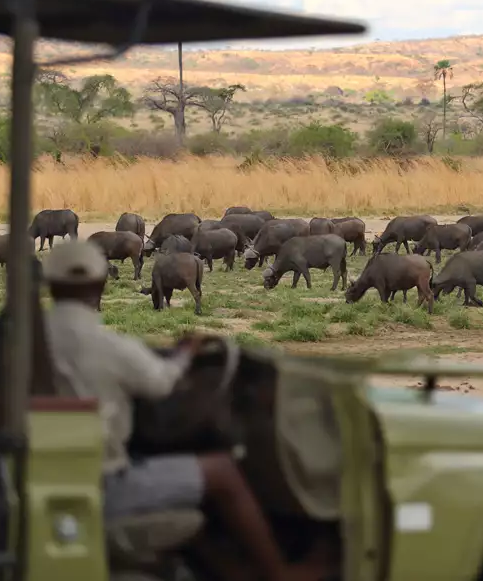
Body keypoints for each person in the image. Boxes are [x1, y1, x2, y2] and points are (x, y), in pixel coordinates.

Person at [41, 241, 320, 581]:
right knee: (222, 470)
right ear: (101, 284)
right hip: (103, 484)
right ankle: (279, 572)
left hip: (41, 478)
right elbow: (162, 383)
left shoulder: (28, 341)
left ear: (50, 285)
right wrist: (186, 354)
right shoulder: (108, 347)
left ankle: (229, 570)